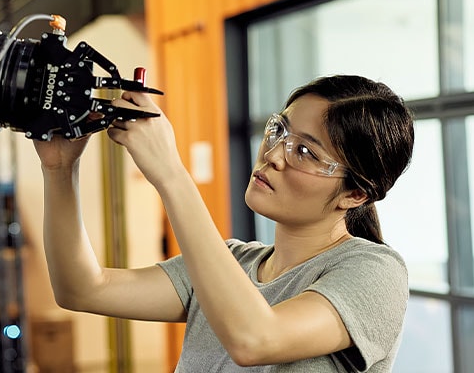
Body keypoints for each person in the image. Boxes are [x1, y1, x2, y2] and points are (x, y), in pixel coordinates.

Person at [33, 74, 415, 372]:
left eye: (305, 152)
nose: (274, 155)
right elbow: (81, 288)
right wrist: (60, 168)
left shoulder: (376, 273)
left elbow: (255, 338)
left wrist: (171, 173)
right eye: (279, 131)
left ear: (355, 195)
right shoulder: (232, 262)